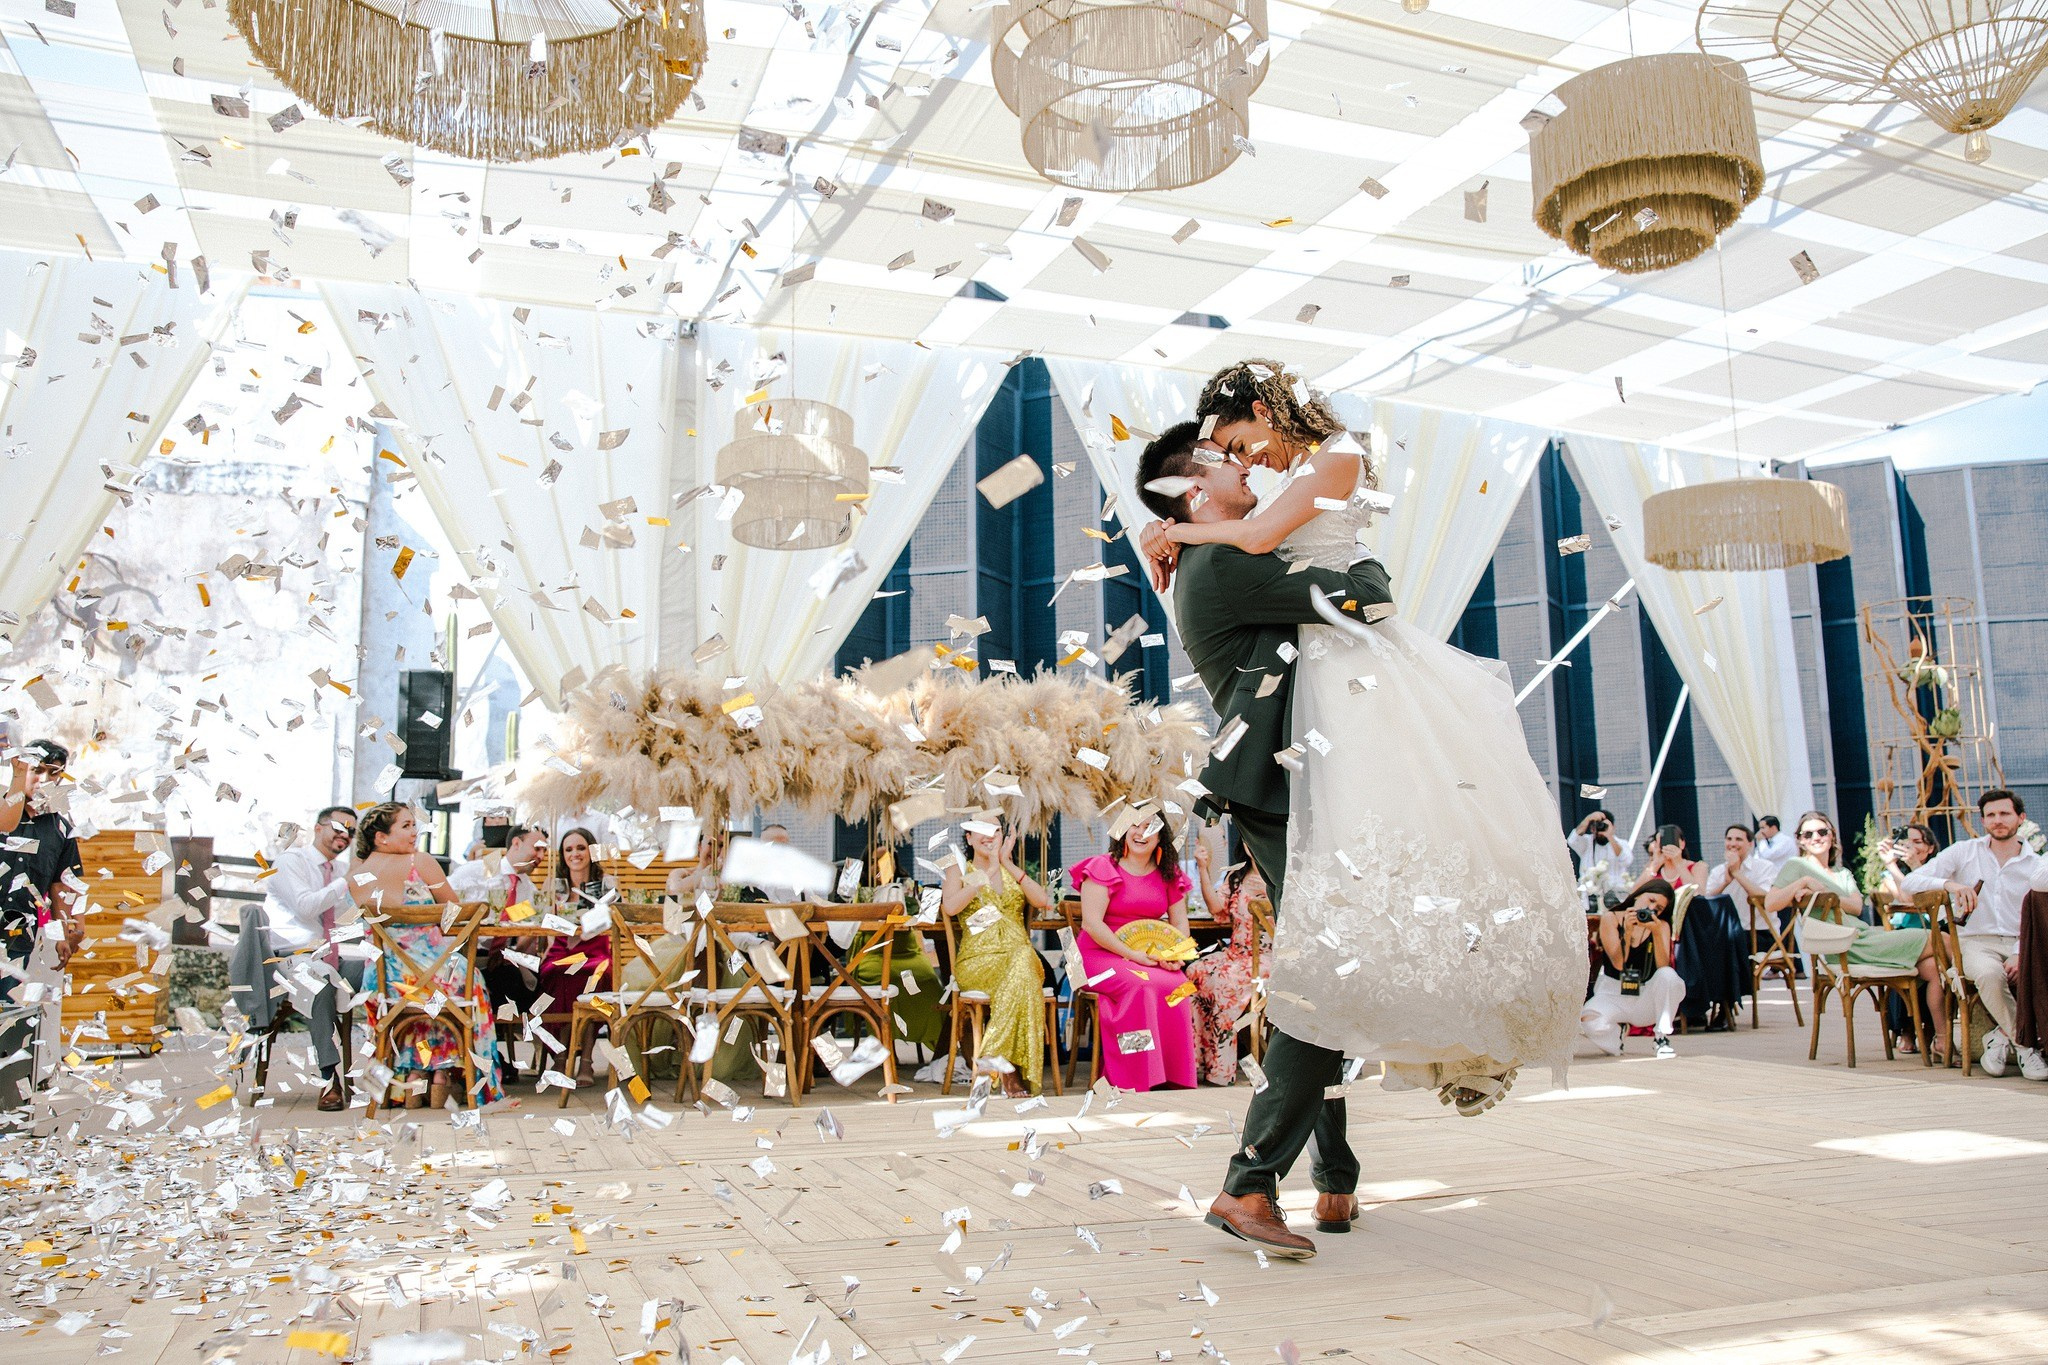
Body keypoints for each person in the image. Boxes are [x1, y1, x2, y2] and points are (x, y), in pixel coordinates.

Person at [1139, 363, 1583, 1260]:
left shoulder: (1218, 555)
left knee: (1333, 962)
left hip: (1292, 779)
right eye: (1225, 461)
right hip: (1285, 785)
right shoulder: (1222, 562)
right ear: (1194, 485)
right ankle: (1249, 1180)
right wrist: (1358, 560)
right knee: (1326, 970)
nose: (1246, 469)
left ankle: (1332, 1179)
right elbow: (1366, 598)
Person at [351, 803, 502, 1108]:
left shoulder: (357, 873)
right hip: (440, 974)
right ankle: (445, 1080)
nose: (414, 831)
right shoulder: (420, 861)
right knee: (457, 979)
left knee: (421, 985)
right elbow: (456, 916)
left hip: (385, 982)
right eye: (405, 826)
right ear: (381, 837)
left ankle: (410, 1080)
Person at [1767, 810, 1942, 1049]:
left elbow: (1856, 907)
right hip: (1844, 946)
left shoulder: (1842, 873)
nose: (1815, 837)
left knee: (1933, 967)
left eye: (1821, 831)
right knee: (1940, 938)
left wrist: (1824, 894)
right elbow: (1771, 903)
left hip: (1864, 936)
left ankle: (1941, 1038)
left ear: (1832, 836)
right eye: (1808, 834)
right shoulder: (1796, 865)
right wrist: (1804, 883)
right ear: (1800, 840)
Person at [1903, 790, 2048, 1079]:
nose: (1998, 820)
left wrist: (2022, 951)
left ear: (2020, 818)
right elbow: (1910, 882)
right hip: (1975, 942)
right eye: (1991, 815)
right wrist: (1950, 885)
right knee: (1989, 974)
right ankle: (2026, 1045)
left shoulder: (2036, 864)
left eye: (2005, 814)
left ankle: (1999, 1036)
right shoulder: (1964, 852)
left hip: (2022, 942)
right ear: (1983, 821)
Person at [1070, 814, 1199, 1093]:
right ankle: (1135, 1075)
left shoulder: (1169, 872)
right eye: (1134, 825)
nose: (1141, 833)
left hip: (1147, 955)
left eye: (1149, 827)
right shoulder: (1103, 867)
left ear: (1160, 835)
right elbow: (1092, 924)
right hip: (1097, 955)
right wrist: (1131, 955)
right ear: (1123, 830)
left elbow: (1179, 924)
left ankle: (1170, 1074)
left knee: (1178, 985)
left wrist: (1178, 954)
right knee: (1141, 984)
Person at [258, 805, 363, 1111]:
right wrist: (347, 881)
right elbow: (306, 908)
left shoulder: (342, 872)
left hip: (335, 955)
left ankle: (403, 1074)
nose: (345, 836)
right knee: (318, 981)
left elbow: (347, 918)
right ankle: (329, 1077)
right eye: (339, 828)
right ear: (319, 828)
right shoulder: (293, 860)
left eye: (352, 832)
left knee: (381, 970)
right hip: (292, 957)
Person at [941, 820, 1054, 1096]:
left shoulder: (1010, 869)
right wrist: (987, 872)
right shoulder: (954, 865)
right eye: (981, 829)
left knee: (1023, 964)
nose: (990, 835)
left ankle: (1000, 1065)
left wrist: (1006, 863)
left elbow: (1042, 901)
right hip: (979, 958)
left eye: (996, 830)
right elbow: (951, 906)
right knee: (1023, 969)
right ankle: (1008, 1071)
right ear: (968, 838)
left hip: (1020, 954)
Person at [0, 742, 83, 1110]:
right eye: (37, 770)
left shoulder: (60, 825)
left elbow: (61, 884)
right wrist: (19, 777)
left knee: (9, 1015)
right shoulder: (5, 807)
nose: (44, 780)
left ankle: (8, 1108)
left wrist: (67, 928)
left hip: (19, 936)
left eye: (54, 773)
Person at [1185, 849, 1271, 1085]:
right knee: (1194, 972)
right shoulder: (1236, 877)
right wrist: (1202, 868)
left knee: (1225, 983)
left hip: (1268, 958)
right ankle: (1194, 1062)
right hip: (1235, 954)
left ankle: (1222, 1071)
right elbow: (1216, 909)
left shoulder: (1281, 876)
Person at [1580, 880, 1686, 1057]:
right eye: (1650, 900)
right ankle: (1615, 1037)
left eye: (1658, 908)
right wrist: (1627, 933)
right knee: (1588, 1021)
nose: (1651, 908)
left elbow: (1662, 967)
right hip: (1613, 992)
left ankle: (1661, 1036)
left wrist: (1657, 932)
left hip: (1645, 995)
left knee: (1669, 976)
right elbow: (1619, 963)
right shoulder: (1611, 918)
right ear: (1638, 894)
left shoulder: (1661, 926)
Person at [534, 826, 614, 1030]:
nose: (575, 854)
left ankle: (586, 1054)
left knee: (598, 973)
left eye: (581, 848)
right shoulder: (554, 885)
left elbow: (613, 920)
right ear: (563, 855)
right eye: (568, 850)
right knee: (557, 972)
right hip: (561, 950)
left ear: (591, 851)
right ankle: (561, 1051)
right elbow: (542, 919)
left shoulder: (606, 883)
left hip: (595, 951)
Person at [1875, 822, 1943, 1056]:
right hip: (1905, 940)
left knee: (1936, 968)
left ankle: (1931, 1032)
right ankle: (1908, 1030)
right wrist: (1893, 865)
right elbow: (1908, 897)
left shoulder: (1940, 871)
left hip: (1935, 938)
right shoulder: (1890, 874)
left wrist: (1916, 866)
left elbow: (1930, 899)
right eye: (1907, 842)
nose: (1911, 847)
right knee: (1908, 966)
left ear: (1930, 848)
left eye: (1918, 842)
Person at [1567, 811, 1634, 900]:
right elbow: (1572, 840)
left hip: (1615, 897)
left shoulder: (1621, 843)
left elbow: (1626, 861)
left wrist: (1610, 836)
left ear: (1613, 827)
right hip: (1590, 896)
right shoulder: (1587, 842)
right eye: (1597, 826)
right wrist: (1588, 819)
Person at [1630, 824, 1703, 894]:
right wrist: (1655, 864)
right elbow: (1634, 893)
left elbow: (1697, 893)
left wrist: (1678, 862)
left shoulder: (1696, 867)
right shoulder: (1653, 870)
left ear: (1682, 844)